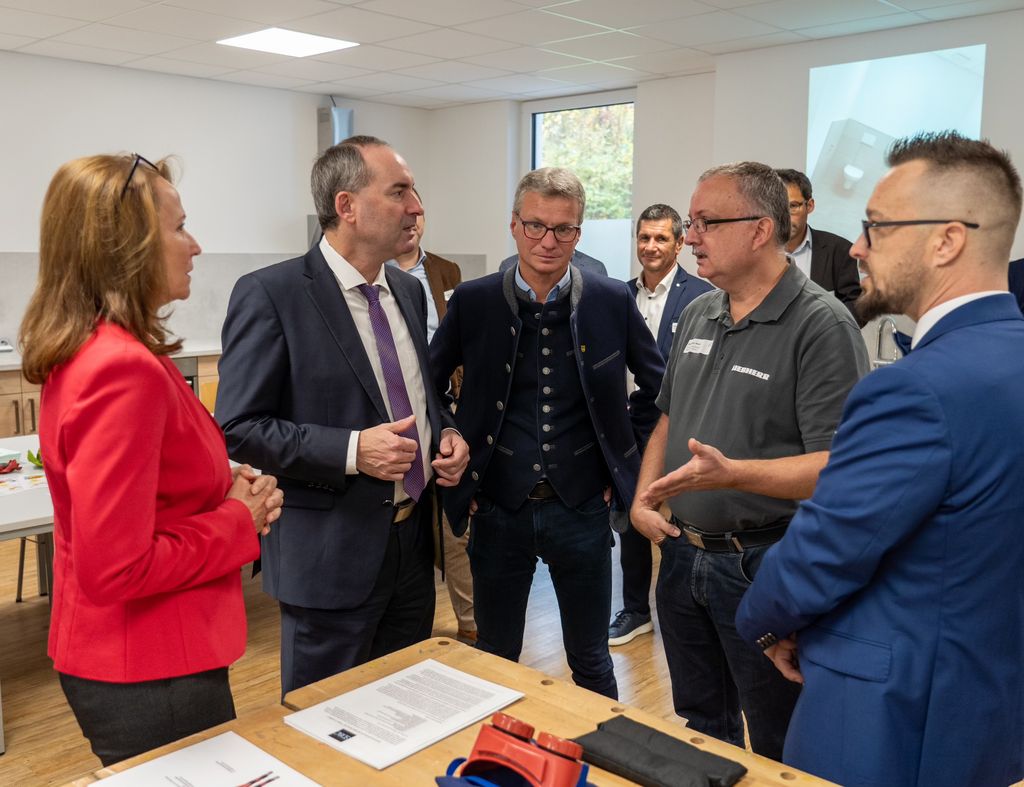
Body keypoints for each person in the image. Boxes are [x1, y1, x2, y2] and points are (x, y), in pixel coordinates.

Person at [737, 132, 1024, 786]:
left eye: (877, 228)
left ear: (947, 240)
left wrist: (764, 620)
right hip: (987, 699)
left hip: (888, 717)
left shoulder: (912, 388)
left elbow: (825, 549)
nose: (858, 247)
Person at [18, 153, 283, 766]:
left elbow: (149, 490)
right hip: (150, 666)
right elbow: (117, 567)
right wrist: (238, 521)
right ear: (127, 246)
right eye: (179, 227)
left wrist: (221, 485)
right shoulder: (122, 367)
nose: (194, 245)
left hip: (139, 659)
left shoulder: (104, 346)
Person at [630, 162, 869, 759]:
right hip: (682, 559)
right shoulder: (697, 314)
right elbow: (666, 416)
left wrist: (733, 473)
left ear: (761, 230)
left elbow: (838, 468)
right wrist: (643, 496)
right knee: (700, 727)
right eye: (691, 223)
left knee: (776, 739)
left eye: (707, 223)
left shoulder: (821, 324)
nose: (690, 237)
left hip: (763, 567)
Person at [216, 136, 469, 695]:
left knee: (402, 715)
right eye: (399, 191)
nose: (415, 207)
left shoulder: (407, 289)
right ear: (347, 205)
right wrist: (354, 451)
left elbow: (421, 394)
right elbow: (239, 427)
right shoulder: (272, 294)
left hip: (411, 549)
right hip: (328, 557)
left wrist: (447, 433)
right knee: (322, 727)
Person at [430, 167, 665, 700]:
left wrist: (620, 460)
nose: (547, 241)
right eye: (535, 226)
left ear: (578, 235)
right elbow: (428, 385)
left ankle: (602, 770)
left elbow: (660, 389)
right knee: (496, 658)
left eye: (563, 229)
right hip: (494, 507)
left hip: (580, 509)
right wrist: (451, 438)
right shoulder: (473, 301)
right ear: (513, 226)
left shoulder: (609, 299)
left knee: (592, 660)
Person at [609, 203, 713, 647]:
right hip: (626, 422)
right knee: (633, 513)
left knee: (680, 518)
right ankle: (635, 610)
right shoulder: (616, 295)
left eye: (661, 239)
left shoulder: (703, 295)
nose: (650, 247)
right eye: (644, 238)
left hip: (680, 423)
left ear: (678, 243)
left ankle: (690, 605)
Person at [388, 194, 476, 645]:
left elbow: (453, 336)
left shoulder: (445, 271)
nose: (413, 221)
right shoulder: (376, 275)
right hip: (395, 415)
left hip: (442, 403)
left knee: (454, 523)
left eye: (420, 213)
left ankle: (470, 621)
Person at [775, 168, 863, 324]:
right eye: (778, 207)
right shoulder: (755, 251)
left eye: (793, 206)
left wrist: (828, 329)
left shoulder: (839, 250)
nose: (784, 217)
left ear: (810, 205)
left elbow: (855, 305)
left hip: (822, 343)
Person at [499, 248, 608, 276]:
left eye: (563, 229)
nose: (549, 243)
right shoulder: (509, 265)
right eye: (536, 226)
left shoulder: (595, 268)